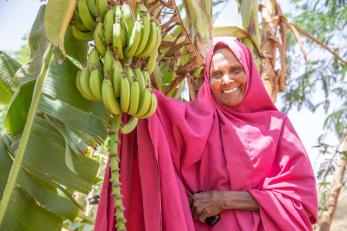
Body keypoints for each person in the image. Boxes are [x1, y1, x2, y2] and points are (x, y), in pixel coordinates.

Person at [94, 38, 318, 231]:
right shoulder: (195, 122)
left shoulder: (277, 127)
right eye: (217, 74)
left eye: (236, 70)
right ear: (208, 81)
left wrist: (222, 200)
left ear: (249, 72)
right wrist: (128, 78)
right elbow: (152, 114)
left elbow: (299, 202)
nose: (227, 80)